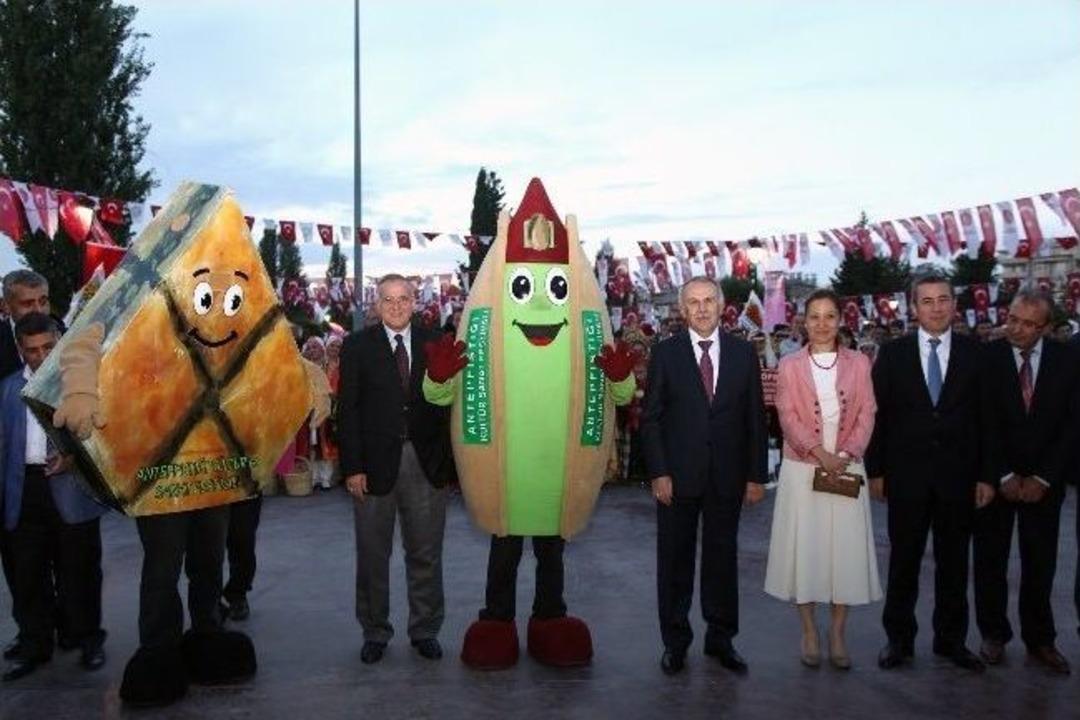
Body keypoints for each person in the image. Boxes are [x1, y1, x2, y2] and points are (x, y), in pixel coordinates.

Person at [867, 272, 994, 672]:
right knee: (903, 561)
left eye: (943, 300)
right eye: (927, 301)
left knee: (955, 564)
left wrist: (987, 476)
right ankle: (899, 641)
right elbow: (879, 416)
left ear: (954, 305)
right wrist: (877, 471)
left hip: (960, 479)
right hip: (906, 479)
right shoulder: (893, 354)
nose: (936, 307)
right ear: (913, 307)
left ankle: (951, 641)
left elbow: (990, 421)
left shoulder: (978, 354)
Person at [641, 277, 768, 676]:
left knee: (722, 560)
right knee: (674, 562)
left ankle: (721, 639)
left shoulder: (745, 354)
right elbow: (651, 420)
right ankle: (675, 642)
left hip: (727, 478)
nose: (701, 308)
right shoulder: (665, 353)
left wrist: (755, 475)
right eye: (693, 302)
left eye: (708, 300)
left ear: (721, 305)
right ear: (682, 309)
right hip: (676, 479)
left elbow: (755, 421)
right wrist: (659, 472)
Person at [338, 274, 454, 664]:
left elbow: (450, 406)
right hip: (372, 467)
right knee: (373, 554)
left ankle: (425, 630)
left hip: (426, 465)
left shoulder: (437, 343)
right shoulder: (356, 347)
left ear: (415, 302)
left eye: (404, 298)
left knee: (426, 553)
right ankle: (375, 631)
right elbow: (347, 413)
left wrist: (452, 465)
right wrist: (352, 467)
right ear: (376, 305)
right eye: (388, 300)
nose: (397, 306)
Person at [765, 290, 880, 670]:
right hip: (804, 469)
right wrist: (820, 453)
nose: (822, 324)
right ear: (803, 321)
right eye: (814, 316)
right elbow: (787, 415)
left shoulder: (860, 363)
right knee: (808, 550)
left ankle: (838, 632)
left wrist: (845, 455)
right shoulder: (790, 365)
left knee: (843, 553)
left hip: (848, 466)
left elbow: (867, 411)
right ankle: (810, 631)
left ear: (840, 320)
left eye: (829, 316)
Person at [973, 290, 1078, 674]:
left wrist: (1043, 477)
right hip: (995, 480)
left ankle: (1041, 640)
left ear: (1046, 328)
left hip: (1043, 484)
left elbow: (1071, 425)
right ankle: (993, 634)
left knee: (1040, 564)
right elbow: (982, 422)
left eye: (1027, 324)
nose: (1015, 328)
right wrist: (1001, 474)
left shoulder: (1069, 361)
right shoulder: (987, 359)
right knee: (989, 561)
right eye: (1012, 318)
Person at [1, 312, 107, 681]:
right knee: (28, 575)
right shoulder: (7, 389)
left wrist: (72, 458)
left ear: (60, 342)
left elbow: (103, 437)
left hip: (72, 489)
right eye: (32, 350)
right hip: (24, 491)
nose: (41, 355)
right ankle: (34, 645)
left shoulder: (82, 385)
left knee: (80, 571)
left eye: (48, 346)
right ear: (20, 350)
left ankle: (88, 639)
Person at [0, 270, 53, 661]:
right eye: (26, 303)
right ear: (6, 306)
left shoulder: (68, 338)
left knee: (77, 562)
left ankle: (78, 631)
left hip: (63, 476)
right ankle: (32, 636)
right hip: (12, 476)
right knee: (22, 564)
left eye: (43, 302)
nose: (37, 310)